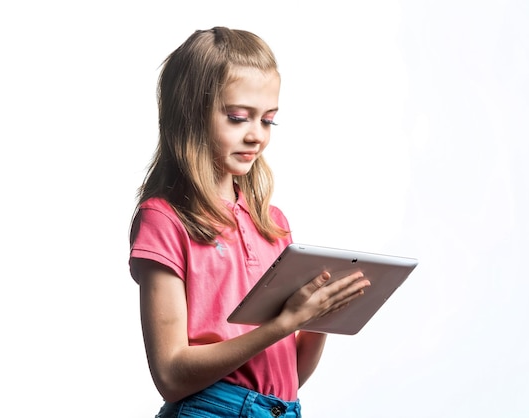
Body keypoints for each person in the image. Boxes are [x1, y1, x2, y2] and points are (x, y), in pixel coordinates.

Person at [129, 26, 371, 418]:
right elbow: (171, 375)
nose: (256, 136)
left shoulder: (272, 224)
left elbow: (286, 378)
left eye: (268, 121)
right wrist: (282, 324)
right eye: (239, 118)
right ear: (190, 114)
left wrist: (320, 318)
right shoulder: (166, 218)